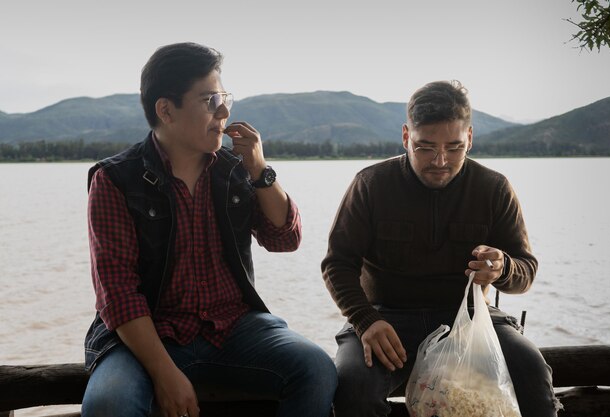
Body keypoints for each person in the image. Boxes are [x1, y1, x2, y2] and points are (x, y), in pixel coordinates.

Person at [81, 42, 337, 417]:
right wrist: (165, 374)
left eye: (224, 97)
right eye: (209, 100)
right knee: (108, 403)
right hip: (147, 335)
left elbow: (285, 240)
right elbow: (117, 294)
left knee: (316, 368)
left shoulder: (235, 169)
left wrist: (260, 171)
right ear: (166, 110)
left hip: (233, 328)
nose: (224, 111)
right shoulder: (116, 179)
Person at [322, 80, 561, 416]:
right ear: (406, 137)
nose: (440, 160)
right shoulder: (371, 184)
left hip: (470, 319)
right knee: (353, 389)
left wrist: (503, 267)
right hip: (385, 317)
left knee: (533, 371)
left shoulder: (494, 188)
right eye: (425, 147)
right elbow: (337, 265)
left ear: (470, 138)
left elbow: (526, 271)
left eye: (454, 146)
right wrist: (364, 320)